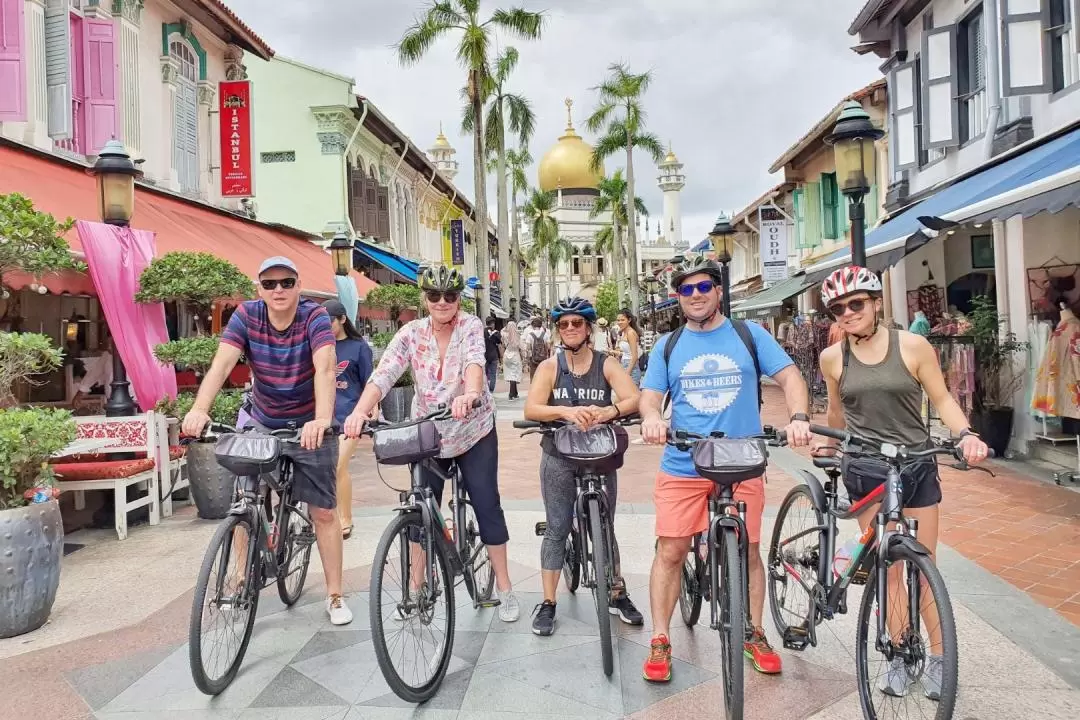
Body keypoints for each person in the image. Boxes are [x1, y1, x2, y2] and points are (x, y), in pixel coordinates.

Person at [814, 265, 989, 699]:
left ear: (876, 304)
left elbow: (943, 398)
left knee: (924, 567)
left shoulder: (913, 346)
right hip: (866, 469)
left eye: (856, 304)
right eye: (839, 308)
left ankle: (940, 659)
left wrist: (965, 434)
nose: (848, 313)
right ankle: (896, 654)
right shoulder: (832, 357)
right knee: (889, 570)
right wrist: (833, 449)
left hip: (915, 464)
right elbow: (838, 411)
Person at [638, 255, 812, 683]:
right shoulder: (668, 345)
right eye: (686, 290)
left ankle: (754, 633)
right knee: (672, 550)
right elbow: (649, 396)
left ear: (718, 291)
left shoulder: (748, 335)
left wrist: (799, 416)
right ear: (677, 298)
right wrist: (652, 419)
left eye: (703, 288)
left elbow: (790, 377)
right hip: (684, 460)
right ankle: (660, 638)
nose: (695, 296)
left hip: (742, 461)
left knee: (750, 551)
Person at [343, 265, 521, 622]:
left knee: (487, 505)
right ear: (424, 299)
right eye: (435, 296)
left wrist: (471, 394)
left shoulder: (470, 326)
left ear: (459, 300)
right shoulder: (410, 333)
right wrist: (360, 412)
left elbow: (475, 360)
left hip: (473, 429)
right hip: (430, 432)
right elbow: (385, 374)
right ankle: (416, 590)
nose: (442, 302)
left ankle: (504, 587)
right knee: (419, 509)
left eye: (450, 296)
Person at [181, 256, 353, 626]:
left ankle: (335, 595)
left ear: (298, 286)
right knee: (244, 498)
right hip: (263, 420)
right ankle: (239, 576)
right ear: (259, 287)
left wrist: (322, 420)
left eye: (286, 283)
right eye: (270, 284)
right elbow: (223, 363)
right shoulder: (246, 315)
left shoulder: (315, 317)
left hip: (310, 422)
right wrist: (199, 409)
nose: (278, 290)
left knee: (322, 511)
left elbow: (324, 367)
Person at [524, 297, 644, 636]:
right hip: (558, 455)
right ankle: (548, 602)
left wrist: (609, 412)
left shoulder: (606, 364)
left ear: (588, 328)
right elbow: (532, 408)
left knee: (605, 524)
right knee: (557, 527)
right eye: (564, 324)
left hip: (599, 455)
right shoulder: (550, 366)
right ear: (558, 331)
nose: (571, 328)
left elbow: (632, 397)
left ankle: (617, 592)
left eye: (577, 323)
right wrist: (565, 412)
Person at [323, 299, 373, 540]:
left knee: (338, 464)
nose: (325, 326)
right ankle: (326, 516)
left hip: (350, 416)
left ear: (342, 319)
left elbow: (370, 381)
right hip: (322, 417)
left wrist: (370, 409)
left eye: (329, 321)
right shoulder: (318, 345)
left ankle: (346, 518)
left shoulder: (359, 347)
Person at [616, 309, 642, 385]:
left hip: (631, 368)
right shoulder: (624, 332)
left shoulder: (630, 333)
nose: (620, 322)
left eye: (622, 320)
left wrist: (627, 372)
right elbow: (626, 353)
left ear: (629, 320)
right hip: (625, 365)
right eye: (618, 320)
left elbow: (634, 356)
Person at [502, 318, 523, 400]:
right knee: (514, 375)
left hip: (507, 354)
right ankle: (512, 393)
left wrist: (507, 327)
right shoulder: (517, 335)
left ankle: (514, 392)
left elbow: (503, 342)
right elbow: (521, 346)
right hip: (515, 355)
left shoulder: (504, 335)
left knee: (510, 374)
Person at [484, 318, 503, 393]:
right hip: (494, 355)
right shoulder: (496, 333)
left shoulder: (482, 332)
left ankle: (486, 389)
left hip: (484, 355)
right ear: (492, 324)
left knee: (485, 374)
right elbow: (499, 342)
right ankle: (491, 390)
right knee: (493, 374)